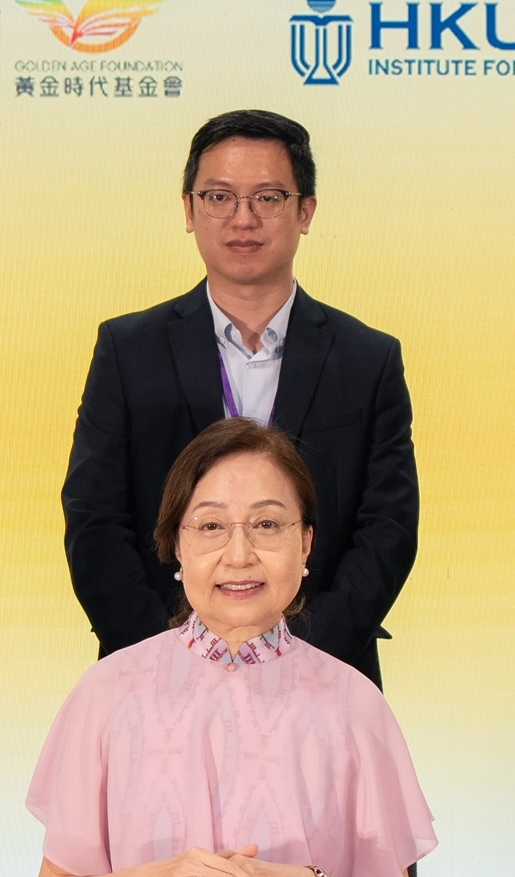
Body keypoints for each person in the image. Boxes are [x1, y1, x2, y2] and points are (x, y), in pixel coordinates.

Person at [62, 109, 419, 685]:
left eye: (269, 198)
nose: (243, 219)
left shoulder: (366, 359)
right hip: (156, 677)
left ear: (305, 212)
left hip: (323, 675)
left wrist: (296, 656)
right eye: (220, 197)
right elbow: (94, 520)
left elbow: (389, 529)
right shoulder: (129, 351)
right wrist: (171, 655)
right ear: (189, 210)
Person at [30, 418, 437, 877]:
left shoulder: (356, 704)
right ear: (177, 546)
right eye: (211, 526)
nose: (239, 554)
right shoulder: (108, 691)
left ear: (305, 543)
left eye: (267, 524)